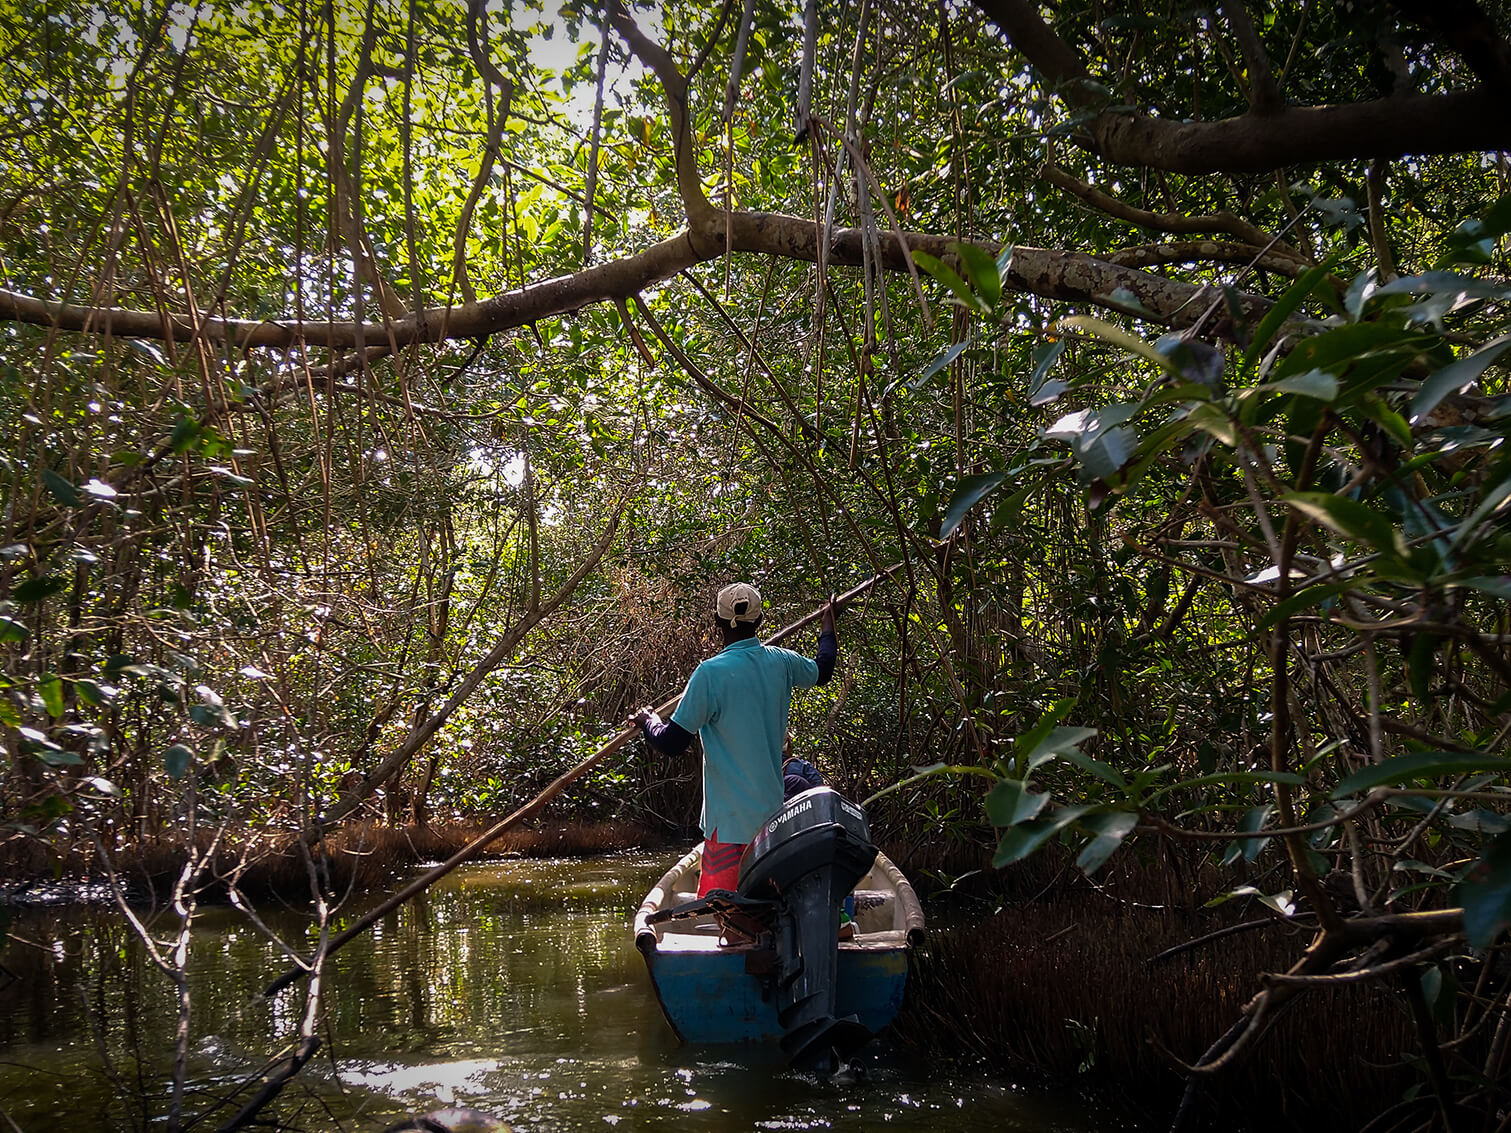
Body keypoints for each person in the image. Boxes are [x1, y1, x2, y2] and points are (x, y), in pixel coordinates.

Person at [628, 582, 837, 896]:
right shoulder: (782, 662)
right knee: (768, 909)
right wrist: (828, 625)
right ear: (760, 620)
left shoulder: (710, 674)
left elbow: (671, 743)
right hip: (772, 823)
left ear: (717, 622)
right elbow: (823, 669)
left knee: (727, 914)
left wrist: (648, 721)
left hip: (727, 828)